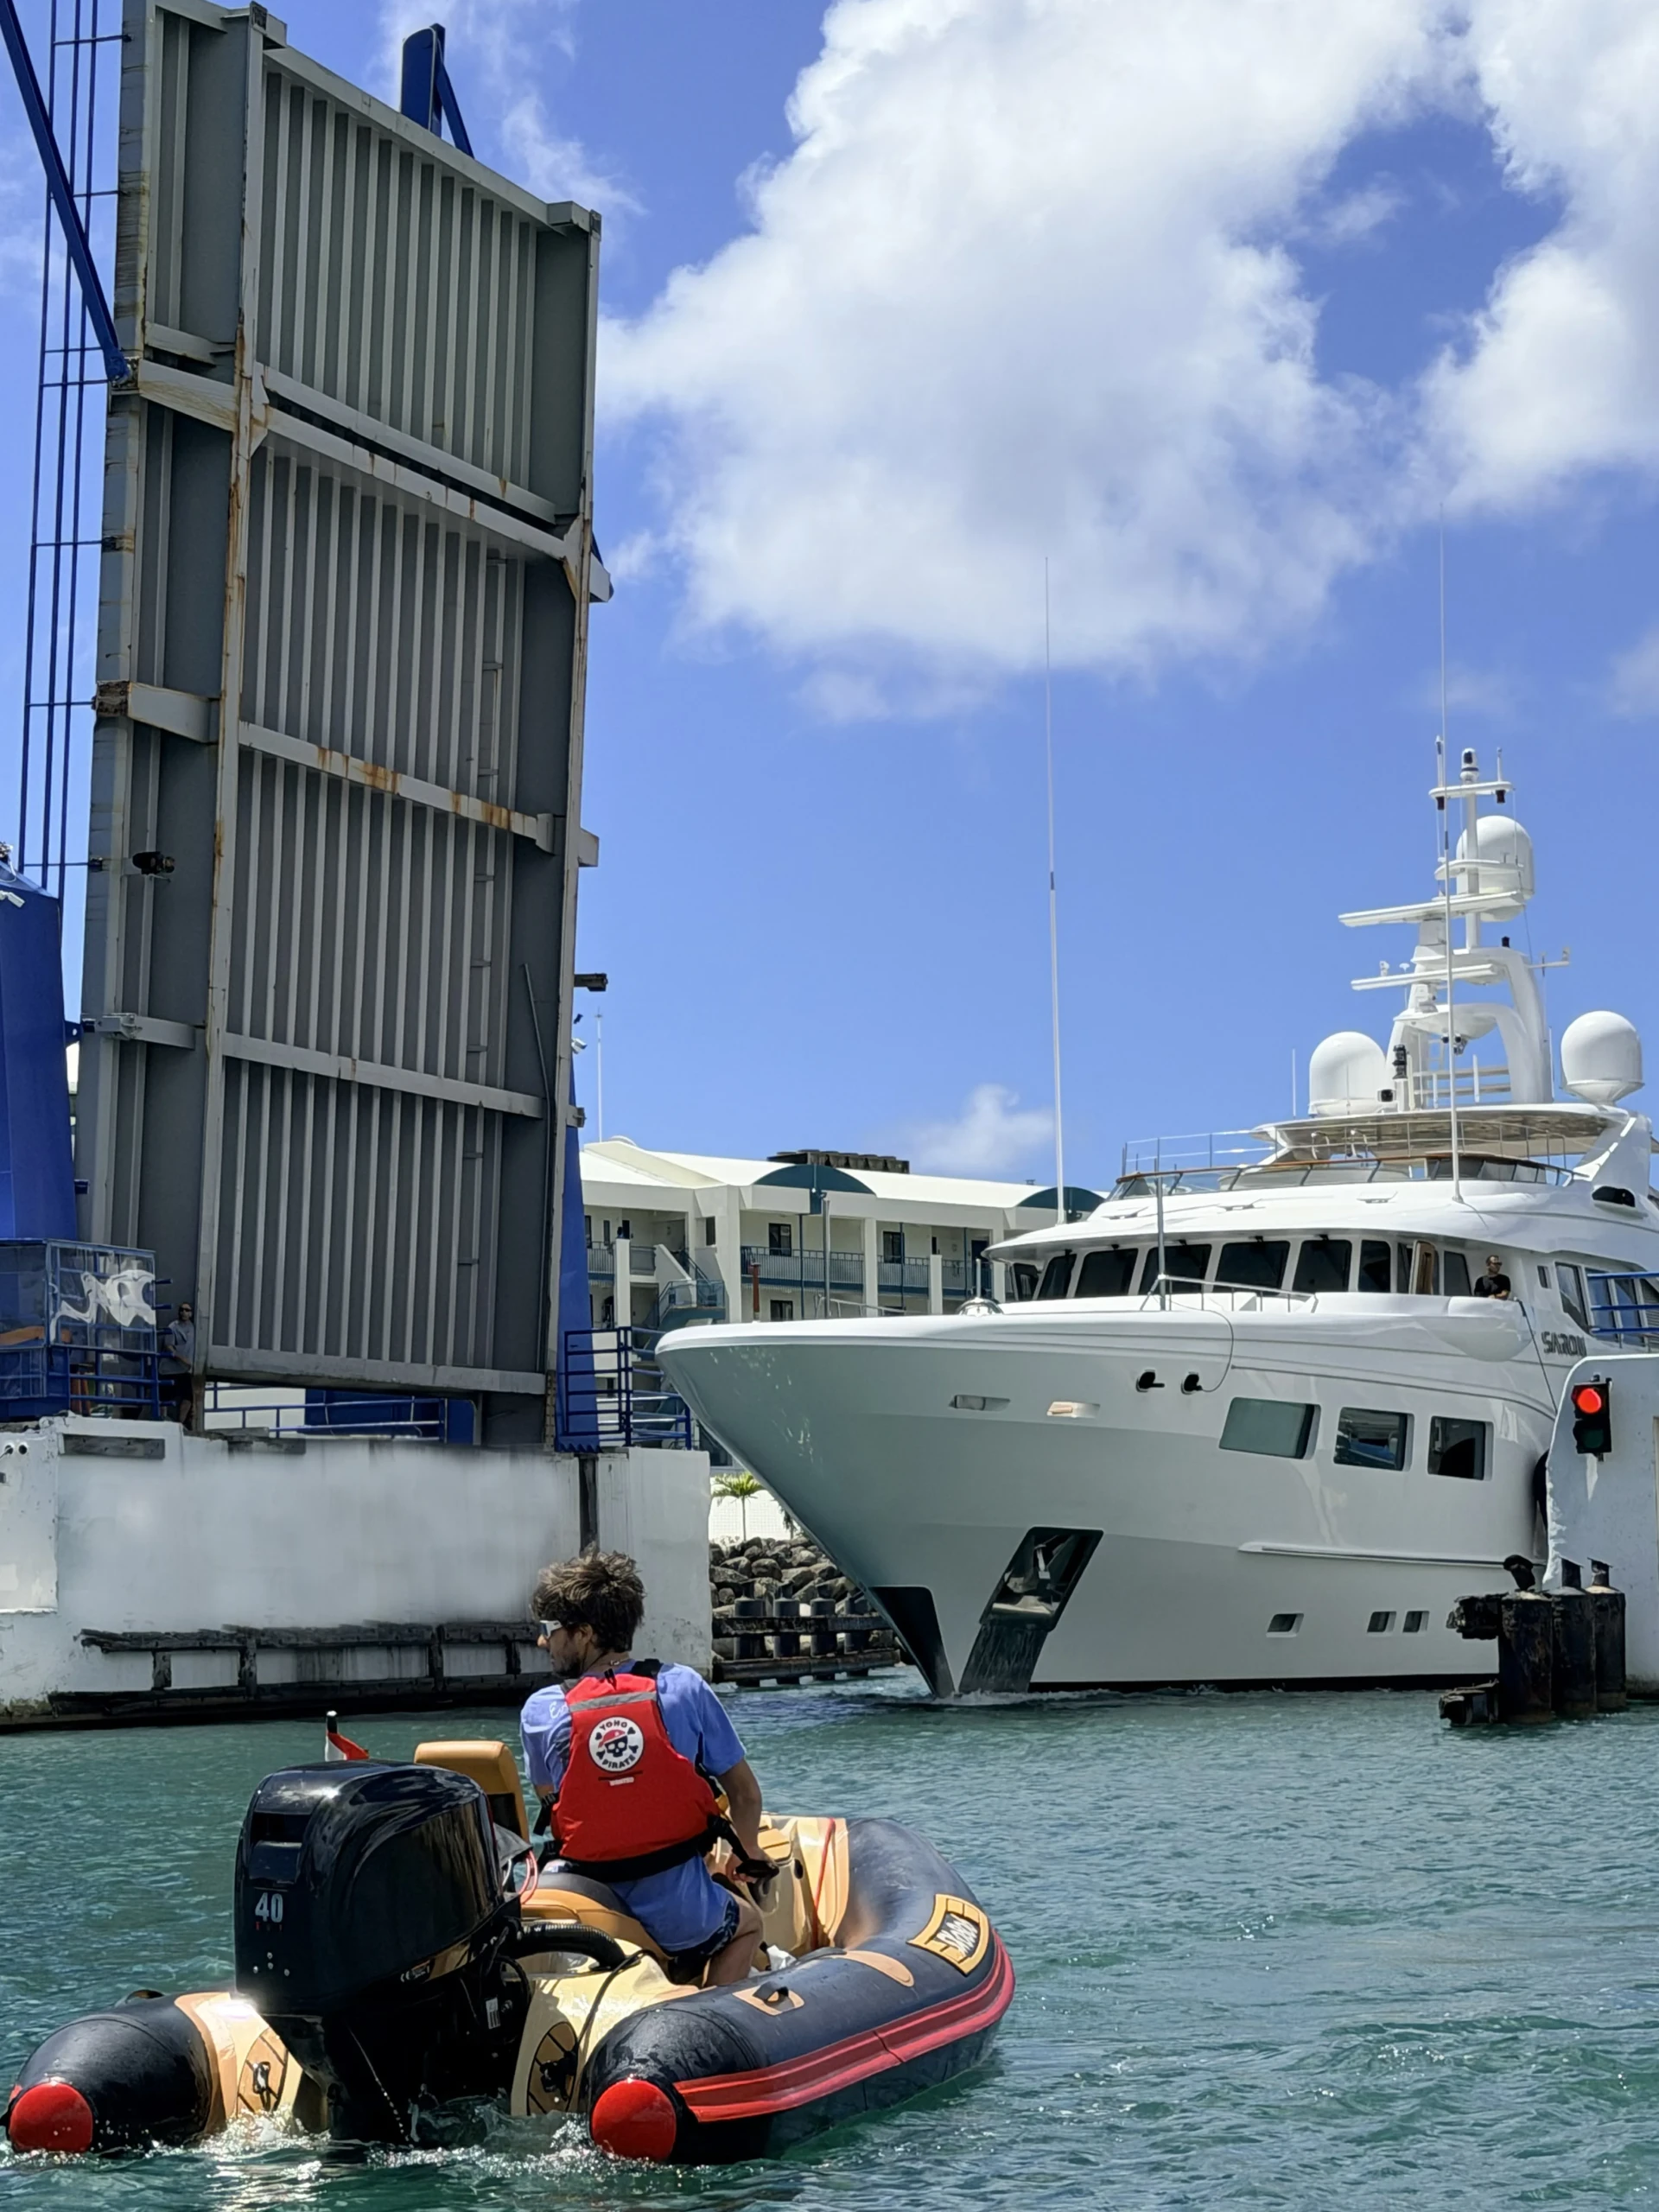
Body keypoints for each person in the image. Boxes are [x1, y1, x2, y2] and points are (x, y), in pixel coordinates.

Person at [520, 1550, 768, 1986]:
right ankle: (709, 2022)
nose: (543, 1642)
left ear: (585, 1634)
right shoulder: (683, 1687)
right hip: (677, 1912)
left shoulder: (541, 1711)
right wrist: (744, 1851)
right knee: (748, 1924)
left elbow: (551, 1798)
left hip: (582, 1896)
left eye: (550, 1631)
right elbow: (745, 1795)